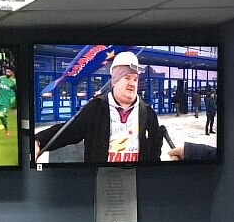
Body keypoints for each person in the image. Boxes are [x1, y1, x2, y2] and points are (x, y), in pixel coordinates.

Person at [33, 51, 162, 164]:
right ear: (115, 81)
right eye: (127, 78)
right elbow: (68, 131)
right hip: (100, 177)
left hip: (135, 177)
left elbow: (155, 151)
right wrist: (39, 140)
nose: (132, 83)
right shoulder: (96, 107)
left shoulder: (147, 112)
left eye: (135, 79)